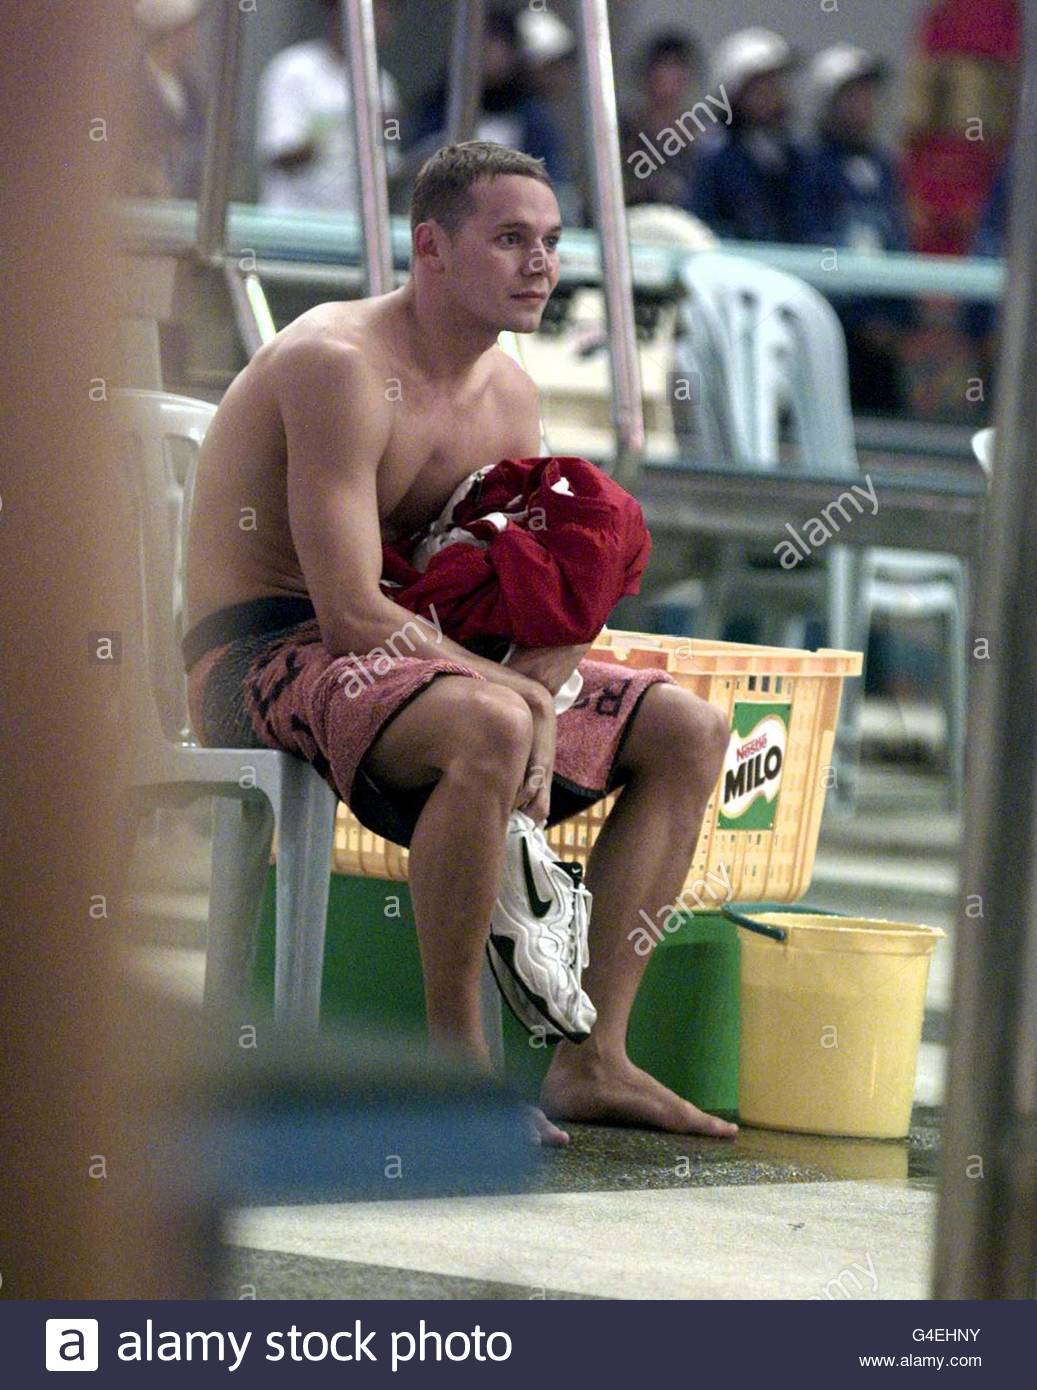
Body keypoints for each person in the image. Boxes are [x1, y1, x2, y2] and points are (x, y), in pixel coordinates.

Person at [181, 141, 736, 1148]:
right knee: (490, 721)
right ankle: (454, 1073)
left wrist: (546, 667)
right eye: (511, 238)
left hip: (412, 651)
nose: (541, 263)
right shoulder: (338, 366)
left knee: (688, 729)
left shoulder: (508, 394)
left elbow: (521, 588)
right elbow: (349, 614)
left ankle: (592, 1060)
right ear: (430, 247)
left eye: (551, 240)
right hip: (258, 655)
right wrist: (516, 697)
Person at [798, 45, 912, 412]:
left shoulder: (883, 164)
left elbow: (896, 240)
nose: (864, 105)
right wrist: (857, 317)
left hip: (882, 335)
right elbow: (810, 243)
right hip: (833, 329)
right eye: (851, 95)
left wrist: (897, 317)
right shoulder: (810, 165)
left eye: (868, 94)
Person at [256, 0, 401, 213]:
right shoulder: (293, 69)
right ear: (341, 13)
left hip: (351, 225)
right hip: (290, 222)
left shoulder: (384, 85)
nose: (385, 19)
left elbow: (389, 169)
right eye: (378, 8)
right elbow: (278, 156)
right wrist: (349, 130)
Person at [409, 10, 568, 185]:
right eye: (482, 46)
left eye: (497, 47)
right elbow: (420, 171)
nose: (489, 55)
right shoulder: (438, 109)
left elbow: (551, 179)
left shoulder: (532, 117)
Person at [689, 27, 806, 243]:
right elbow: (702, 230)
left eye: (778, 83)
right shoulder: (715, 159)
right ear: (734, 94)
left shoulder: (796, 157)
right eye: (762, 86)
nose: (775, 95)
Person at [125, 0, 210, 199]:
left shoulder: (191, 86)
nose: (195, 35)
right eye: (189, 28)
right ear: (172, 33)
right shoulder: (131, 84)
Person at [620, 30, 704, 208]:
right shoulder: (624, 128)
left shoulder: (702, 135)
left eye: (677, 67)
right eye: (663, 67)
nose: (669, 76)